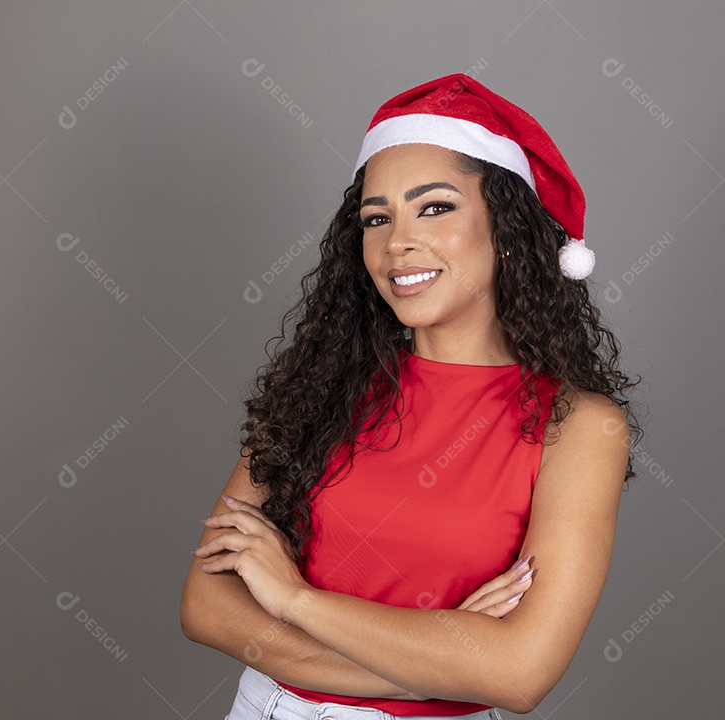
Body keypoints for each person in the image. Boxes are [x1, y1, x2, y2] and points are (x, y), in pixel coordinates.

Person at [180, 73, 642, 719]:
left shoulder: (581, 427)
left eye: (434, 207)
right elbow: (206, 605)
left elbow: (519, 673)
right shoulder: (322, 385)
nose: (397, 241)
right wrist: (430, 668)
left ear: (506, 230)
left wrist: (294, 600)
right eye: (377, 218)